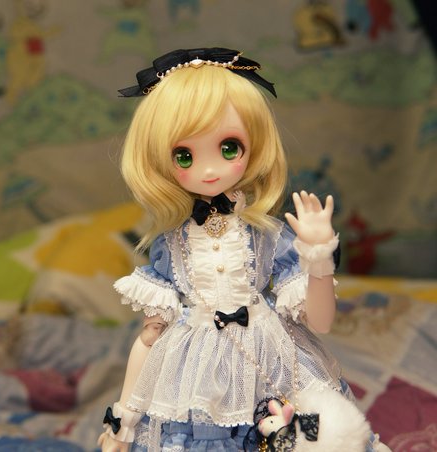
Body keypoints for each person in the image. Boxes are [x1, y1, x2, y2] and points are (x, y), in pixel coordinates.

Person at [98, 48, 383, 451]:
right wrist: (123, 420)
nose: (208, 169)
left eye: (229, 147)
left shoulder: (267, 236)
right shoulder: (169, 246)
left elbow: (320, 323)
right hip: (193, 370)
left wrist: (319, 256)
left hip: (271, 355)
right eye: (185, 156)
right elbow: (148, 338)